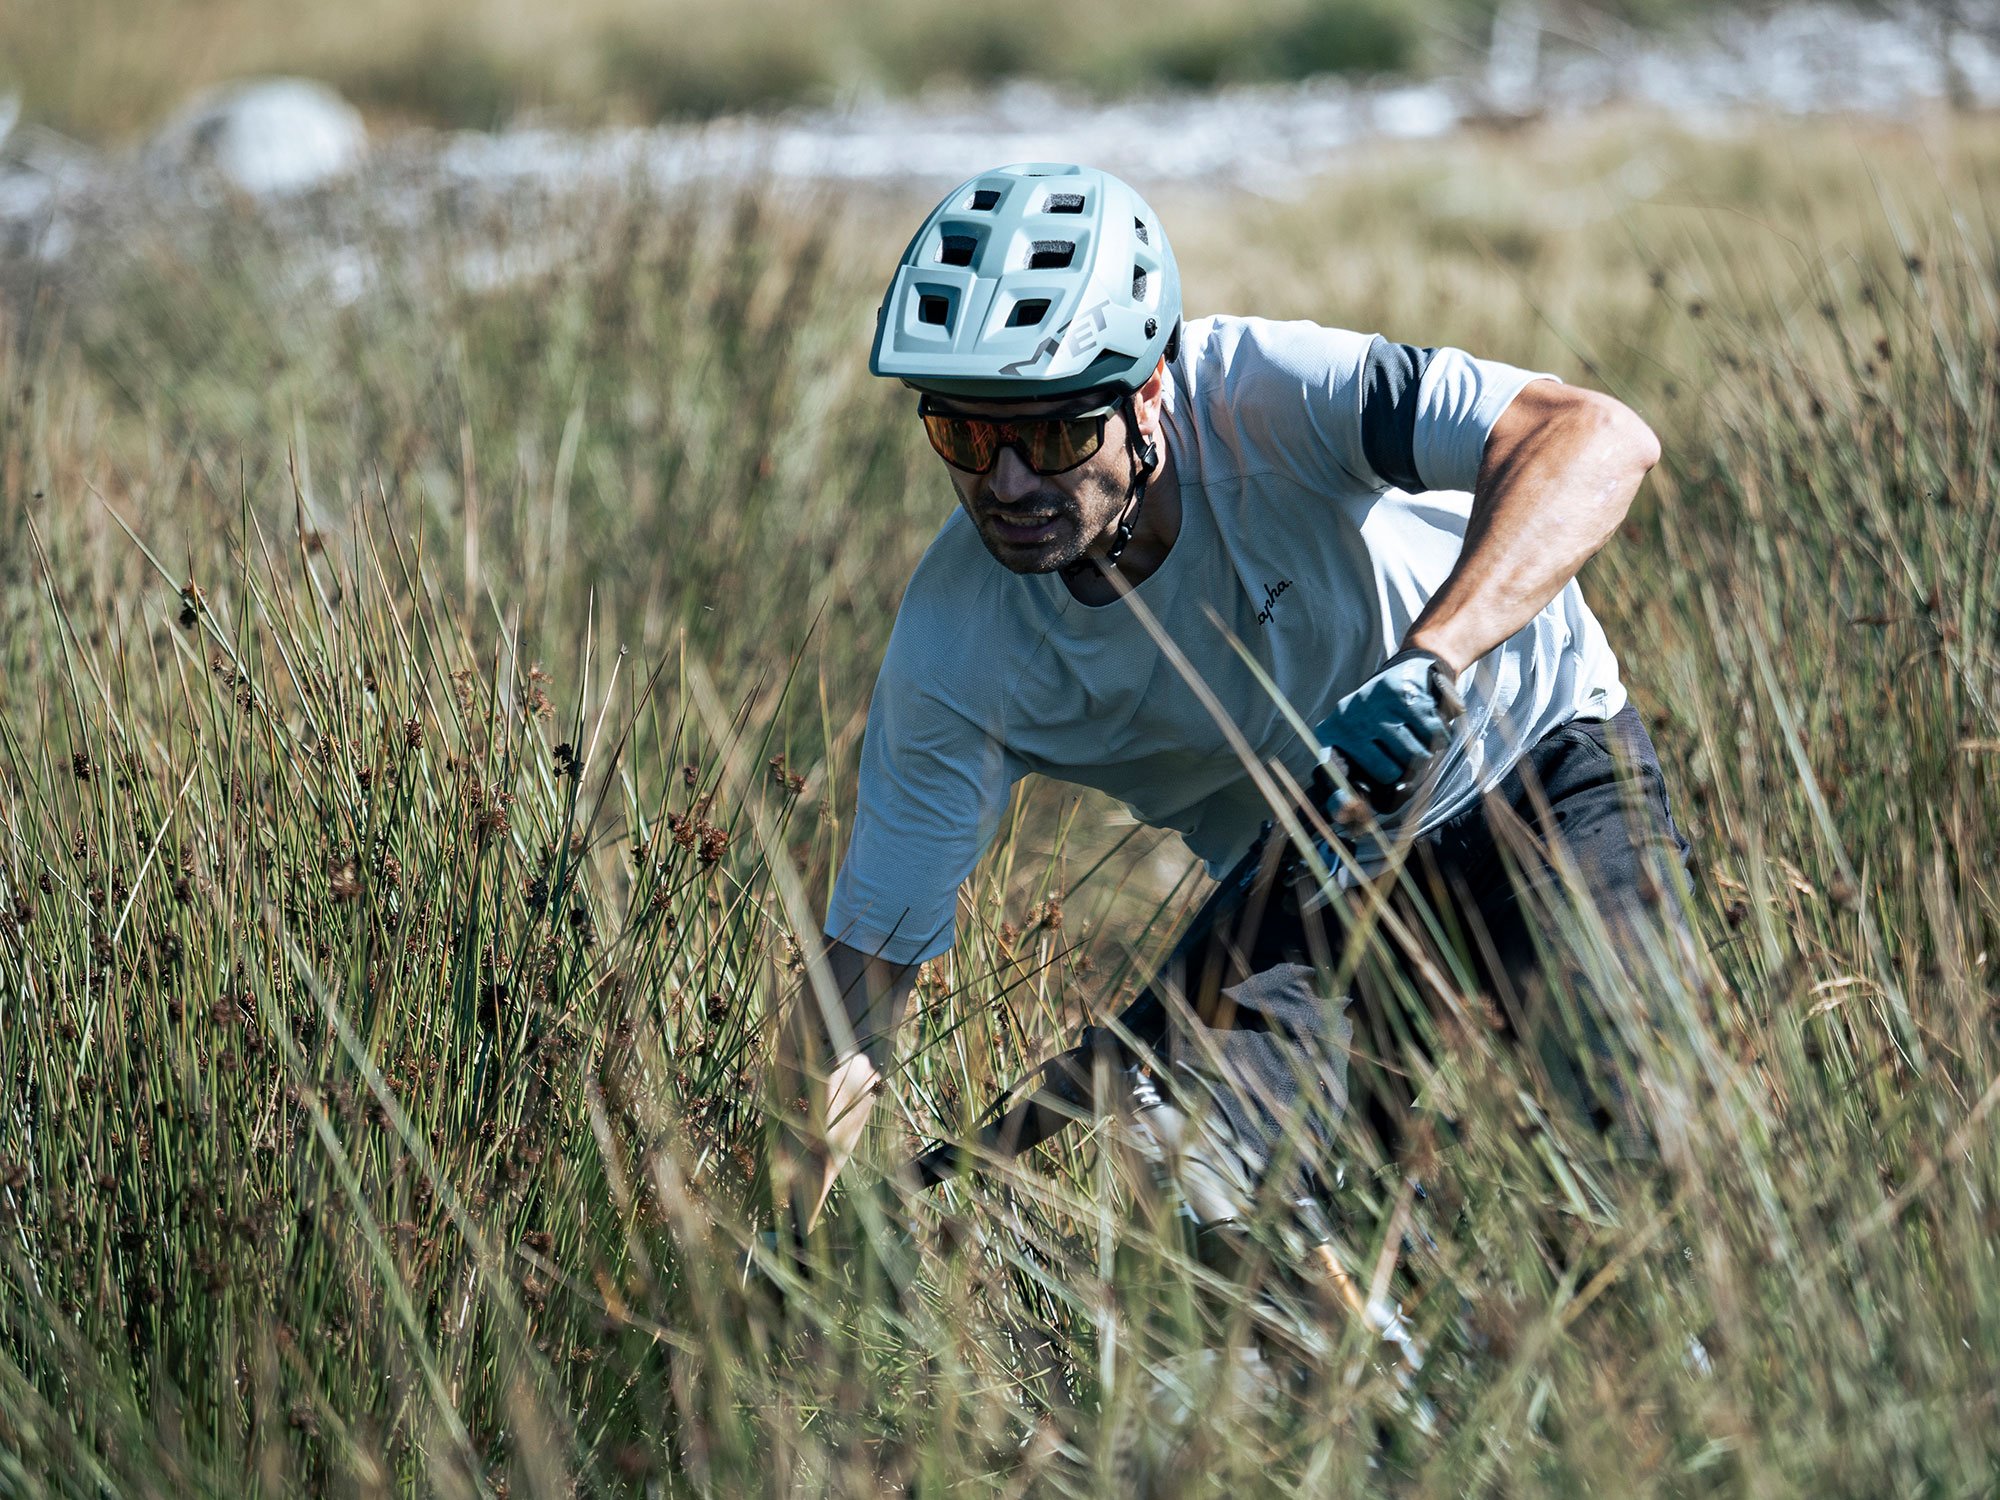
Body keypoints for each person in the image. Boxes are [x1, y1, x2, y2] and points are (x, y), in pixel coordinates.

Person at [771, 161, 1695, 1251]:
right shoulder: (954, 652)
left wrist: (1433, 656)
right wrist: (780, 1248)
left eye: (1056, 435)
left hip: (1532, 762)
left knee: (1644, 1130)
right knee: (1190, 1177)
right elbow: (860, 987)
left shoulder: (1269, 391)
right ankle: (1375, 1397)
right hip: (1294, 888)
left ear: (1149, 389)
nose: (1006, 485)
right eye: (964, 439)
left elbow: (1593, 436)